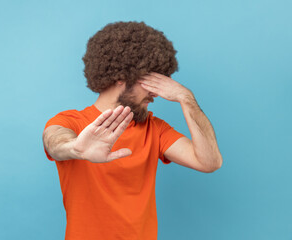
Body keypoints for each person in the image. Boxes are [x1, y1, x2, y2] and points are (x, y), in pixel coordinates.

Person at [42, 21, 223, 240]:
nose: (156, 93)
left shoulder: (155, 129)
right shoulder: (72, 121)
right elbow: (54, 142)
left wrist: (187, 99)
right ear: (121, 76)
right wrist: (76, 149)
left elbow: (209, 161)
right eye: (150, 80)